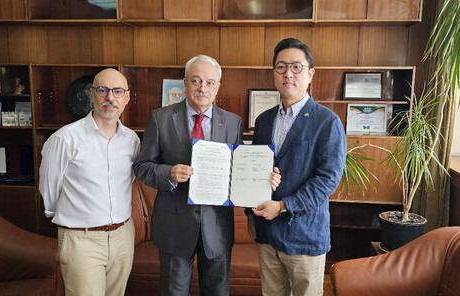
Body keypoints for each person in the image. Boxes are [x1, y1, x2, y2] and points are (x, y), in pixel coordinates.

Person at [133, 54, 280, 296]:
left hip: (217, 227)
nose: (203, 88)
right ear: (185, 83)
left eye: (210, 82)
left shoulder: (233, 123)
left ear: (217, 87)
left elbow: (240, 170)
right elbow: (142, 166)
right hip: (174, 225)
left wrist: (265, 178)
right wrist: (167, 172)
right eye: (196, 80)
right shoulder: (160, 119)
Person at [247, 38, 347, 295]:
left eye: (296, 67)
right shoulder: (264, 120)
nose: (288, 73)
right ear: (274, 73)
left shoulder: (327, 122)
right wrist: (251, 215)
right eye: (281, 67)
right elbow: (255, 172)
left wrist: (282, 207)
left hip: (304, 235)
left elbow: (326, 180)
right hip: (268, 236)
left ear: (310, 73)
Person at [39, 68, 140, 296]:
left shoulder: (132, 140)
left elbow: (130, 181)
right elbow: (49, 187)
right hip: (81, 239)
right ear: (91, 94)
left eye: (117, 91)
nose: (110, 98)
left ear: (127, 97)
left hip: (123, 236)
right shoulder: (64, 139)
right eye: (103, 90)